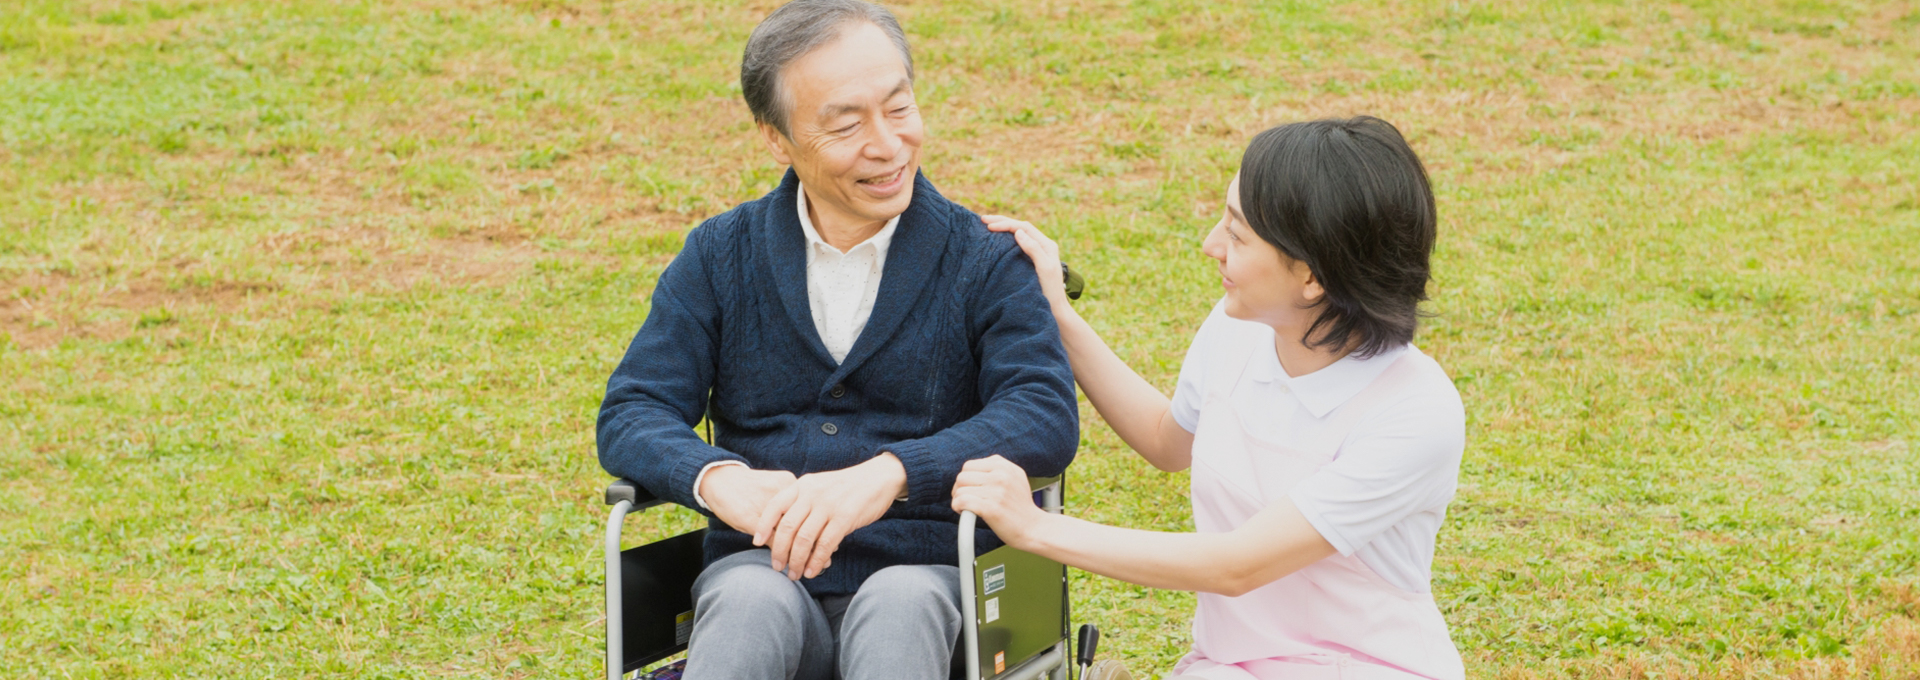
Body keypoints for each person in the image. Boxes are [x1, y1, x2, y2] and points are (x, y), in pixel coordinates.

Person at [594, 1, 1080, 679]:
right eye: (847, 124)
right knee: (744, 599)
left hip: (928, 578)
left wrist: (894, 473)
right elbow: (632, 410)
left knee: (901, 602)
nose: (886, 144)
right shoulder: (718, 256)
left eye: (899, 108)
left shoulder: (984, 261)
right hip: (762, 571)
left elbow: (1044, 412)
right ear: (776, 138)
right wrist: (719, 479)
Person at [953, 117, 1467, 680]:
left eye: (1238, 234)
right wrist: (1058, 313)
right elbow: (1165, 441)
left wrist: (1034, 529)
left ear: (1313, 278)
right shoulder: (1238, 330)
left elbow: (1237, 566)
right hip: (1230, 667)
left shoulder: (1415, 412)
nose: (1210, 245)